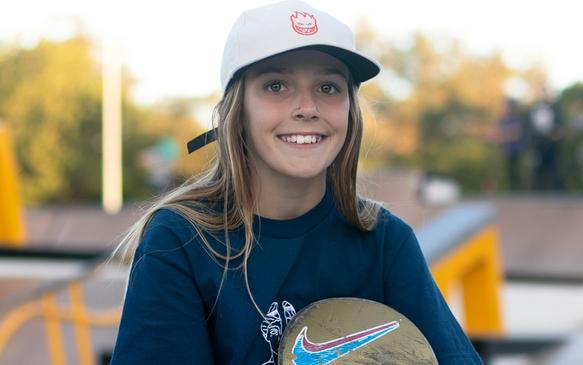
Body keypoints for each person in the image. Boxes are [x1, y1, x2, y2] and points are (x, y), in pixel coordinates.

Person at [110, 1, 482, 364]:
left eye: (328, 87)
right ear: (236, 112)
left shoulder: (385, 241)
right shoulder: (180, 242)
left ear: (350, 111)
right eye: (276, 86)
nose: (307, 107)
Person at [498, 97, 527, 190]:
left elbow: (517, 133)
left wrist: (507, 134)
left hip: (517, 149)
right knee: (509, 172)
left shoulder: (517, 118)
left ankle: (519, 190)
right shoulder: (503, 119)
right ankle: (511, 190)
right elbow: (499, 134)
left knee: (518, 171)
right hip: (506, 150)